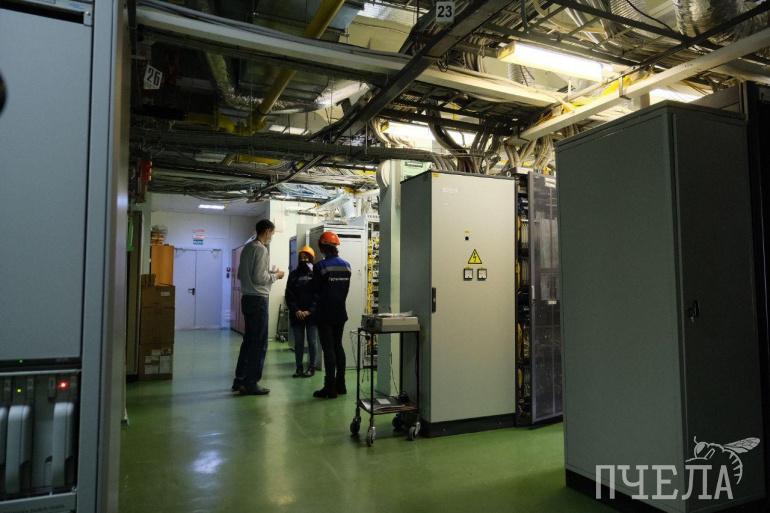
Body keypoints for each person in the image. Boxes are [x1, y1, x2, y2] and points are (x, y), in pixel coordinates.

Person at [233, 219, 285, 396]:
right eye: (272, 233)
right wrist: (276, 275)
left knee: (249, 341)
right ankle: (251, 383)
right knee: (259, 343)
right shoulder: (261, 249)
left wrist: (267, 273)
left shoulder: (247, 247)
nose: (272, 237)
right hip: (258, 300)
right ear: (268, 231)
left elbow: (243, 274)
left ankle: (240, 380)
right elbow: (259, 278)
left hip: (247, 298)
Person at [312, 231, 351, 399]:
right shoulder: (347, 266)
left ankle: (330, 388)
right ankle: (341, 385)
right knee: (338, 346)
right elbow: (344, 290)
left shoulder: (320, 266)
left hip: (325, 314)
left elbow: (314, 291)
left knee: (328, 349)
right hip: (340, 312)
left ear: (322, 247)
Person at [285, 245, 319, 378]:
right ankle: (299, 368)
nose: (303, 259)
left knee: (312, 342)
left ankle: (312, 367)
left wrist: (310, 311)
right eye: (301, 257)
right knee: (298, 343)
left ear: (311, 258)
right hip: (297, 315)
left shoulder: (316, 274)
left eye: (306, 257)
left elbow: (318, 294)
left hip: (312, 315)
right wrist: (296, 310)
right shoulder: (293, 274)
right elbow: (289, 295)